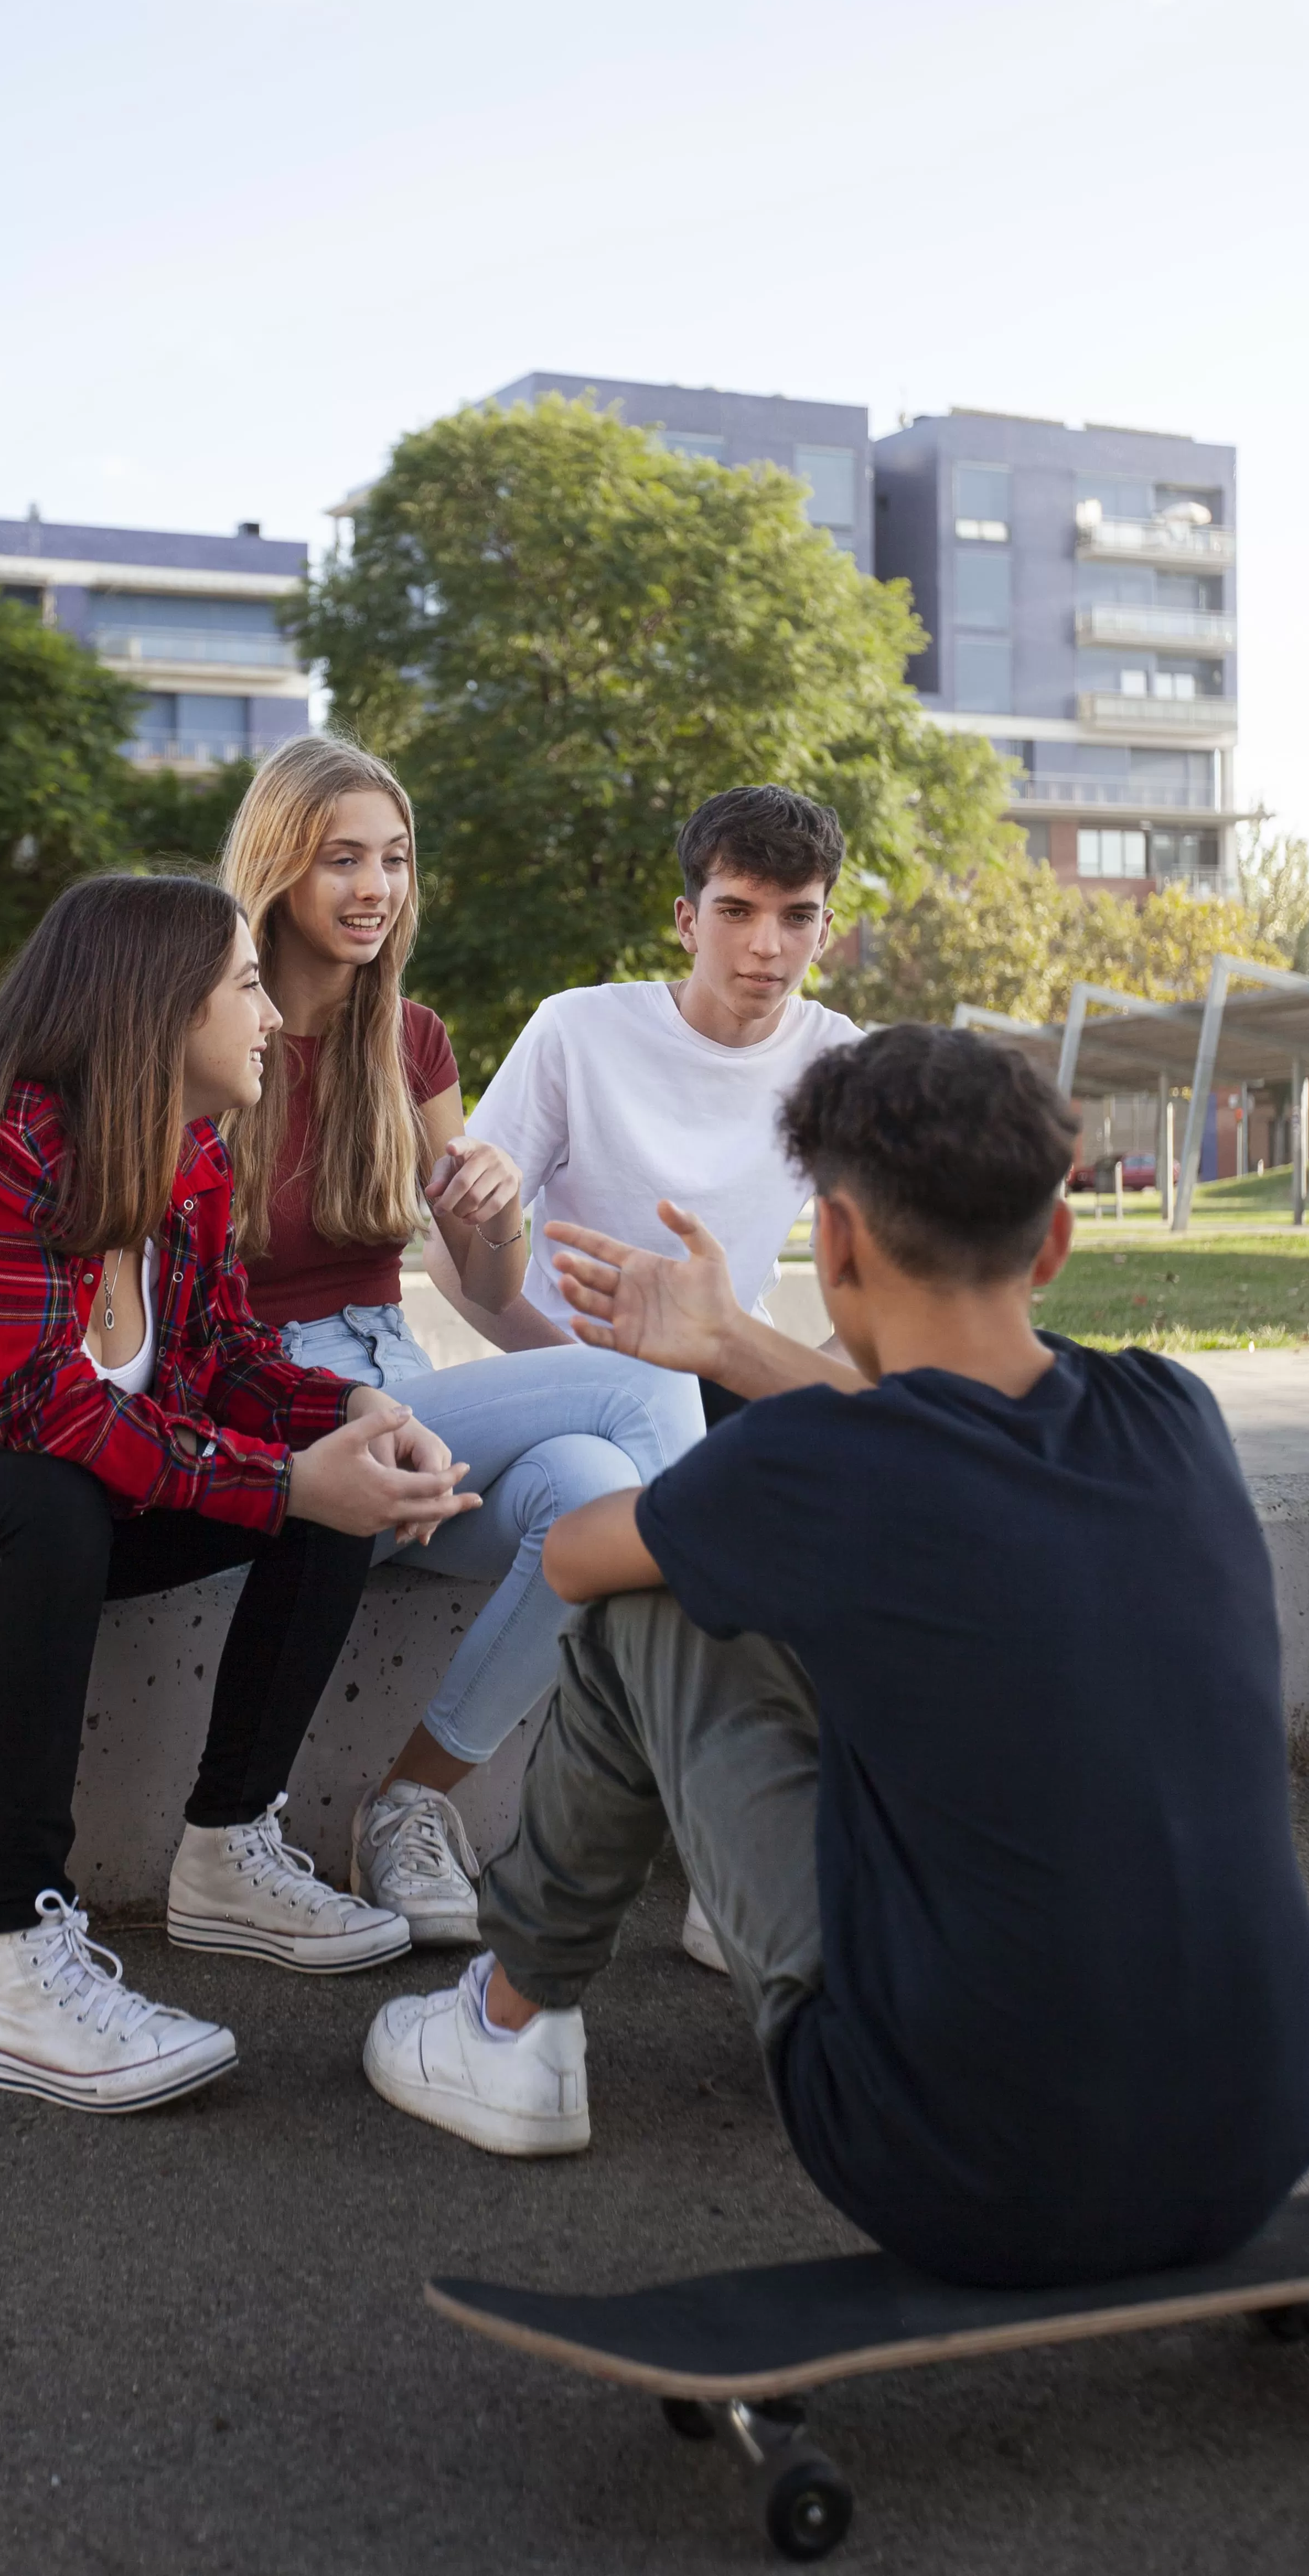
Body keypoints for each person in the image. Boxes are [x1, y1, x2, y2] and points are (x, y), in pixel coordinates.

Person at [361, 1025, 1309, 2291]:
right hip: (1270, 2119)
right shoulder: (1171, 1416)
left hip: (956, 2167)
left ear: (828, 1246)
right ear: (1050, 1244)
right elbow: (945, 1452)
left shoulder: (808, 1475)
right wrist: (729, 1351)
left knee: (645, 1605)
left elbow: (573, 1557)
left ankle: (509, 2028)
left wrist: (713, 1382)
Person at [0, 872, 478, 2117]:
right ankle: (19, 1970)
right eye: (243, 988)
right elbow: (41, 1410)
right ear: (154, 1011)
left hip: (23, 1491)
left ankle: (230, 1850)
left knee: (328, 1488)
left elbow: (229, 1362)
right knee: (57, 1497)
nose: (271, 1019)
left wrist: (347, 1417)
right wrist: (282, 1476)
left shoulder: (180, 1154)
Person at [218, 733, 704, 1945]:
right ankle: (724, 1786)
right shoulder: (208, 1025)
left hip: (401, 1378)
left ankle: (410, 1802)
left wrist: (493, 1220)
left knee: (593, 1482)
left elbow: (478, 1274)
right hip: (284, 1419)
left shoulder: (412, 1039)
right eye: (340, 859)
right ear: (276, 865)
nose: (373, 886)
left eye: (392, 858)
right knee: (649, 1391)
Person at [448, 779, 861, 1970]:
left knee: (844, 1506)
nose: (766, 945)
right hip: (580, 1369)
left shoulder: (844, 1061)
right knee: (683, 1524)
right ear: (684, 919)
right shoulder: (577, 1029)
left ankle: (741, 1870)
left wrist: (798, 1383)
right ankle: (730, 1866)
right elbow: (470, 1268)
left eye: (796, 916)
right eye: (736, 910)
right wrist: (586, 1369)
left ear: (824, 926)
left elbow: (888, 1300)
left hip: (733, 1371)